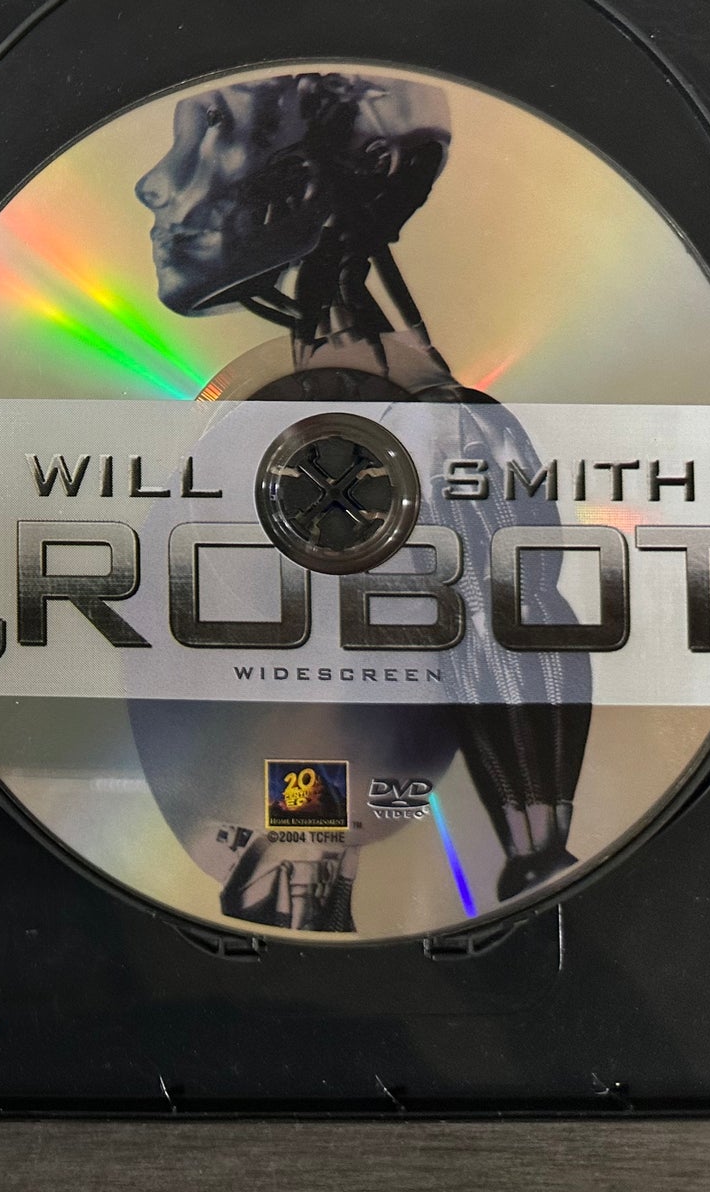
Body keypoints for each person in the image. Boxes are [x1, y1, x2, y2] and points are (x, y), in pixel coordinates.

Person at [129, 72, 590, 929]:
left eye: (214, 127)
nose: (153, 184)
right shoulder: (415, 412)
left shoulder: (455, 435)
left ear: (331, 177)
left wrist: (538, 855)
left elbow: (515, 619)